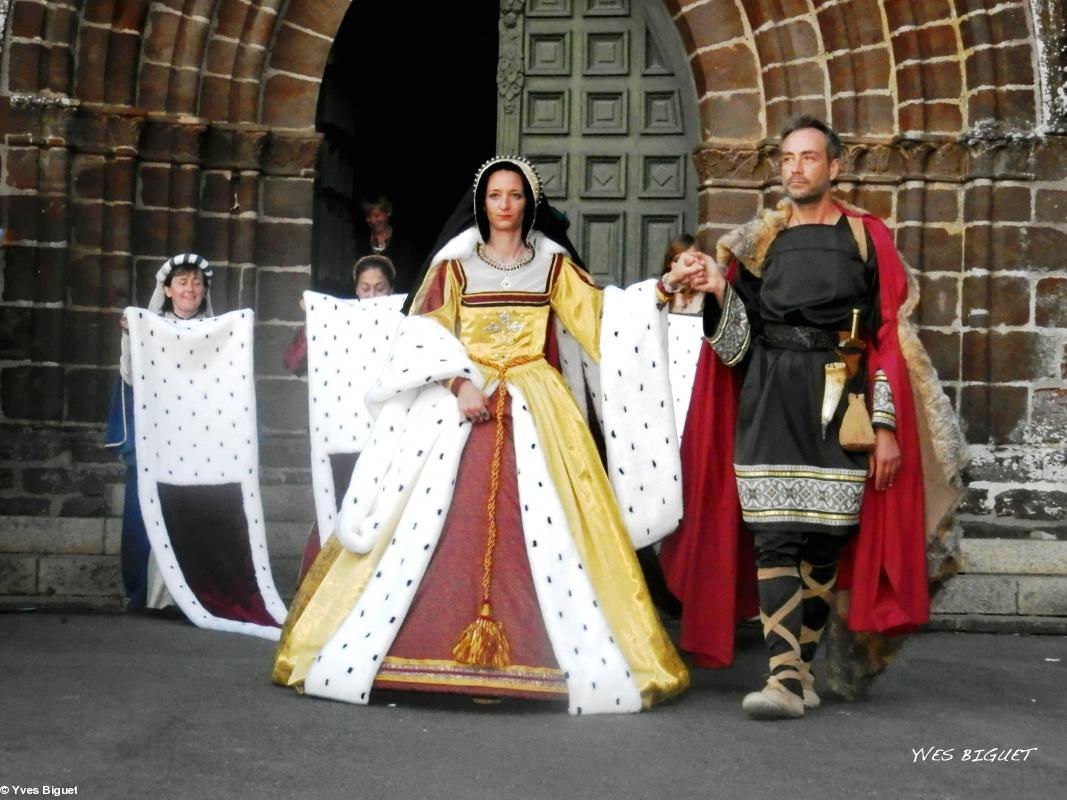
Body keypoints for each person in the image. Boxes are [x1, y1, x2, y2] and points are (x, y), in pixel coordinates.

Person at [273, 156, 692, 714]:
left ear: (528, 203)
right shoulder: (457, 265)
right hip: (464, 402)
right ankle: (416, 652)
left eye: (515, 195)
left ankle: (543, 658)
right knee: (437, 520)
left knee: (552, 526)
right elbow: (423, 332)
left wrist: (662, 290)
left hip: (537, 402)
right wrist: (456, 380)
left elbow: (601, 320)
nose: (505, 205)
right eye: (496, 195)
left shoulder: (551, 264)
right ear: (483, 202)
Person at [664, 115, 964, 719]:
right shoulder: (759, 241)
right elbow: (734, 348)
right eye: (787, 159)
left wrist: (885, 428)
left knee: (823, 544)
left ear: (834, 166)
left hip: (840, 395)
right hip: (770, 395)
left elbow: (886, 336)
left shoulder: (866, 237)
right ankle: (782, 678)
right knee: (773, 535)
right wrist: (720, 291)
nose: (795, 168)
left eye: (807, 157)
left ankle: (799, 672)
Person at [105, 253, 213, 611]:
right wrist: (129, 335)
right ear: (167, 289)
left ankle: (185, 599)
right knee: (145, 514)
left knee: (192, 518)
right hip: (157, 434)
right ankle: (142, 594)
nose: (190, 289)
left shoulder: (216, 333)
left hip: (194, 438)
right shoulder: (149, 328)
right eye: (182, 282)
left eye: (196, 282)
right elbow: (132, 375)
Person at [284, 255, 397, 377]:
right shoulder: (337, 320)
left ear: (391, 290)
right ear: (357, 290)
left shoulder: (403, 322)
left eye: (380, 288)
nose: (372, 295)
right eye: (365, 288)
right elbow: (293, 364)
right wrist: (313, 317)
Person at [352, 196, 417, 293]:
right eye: (368, 216)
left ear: (388, 212)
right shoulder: (361, 241)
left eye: (377, 215)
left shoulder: (402, 243)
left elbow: (405, 278)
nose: (373, 220)